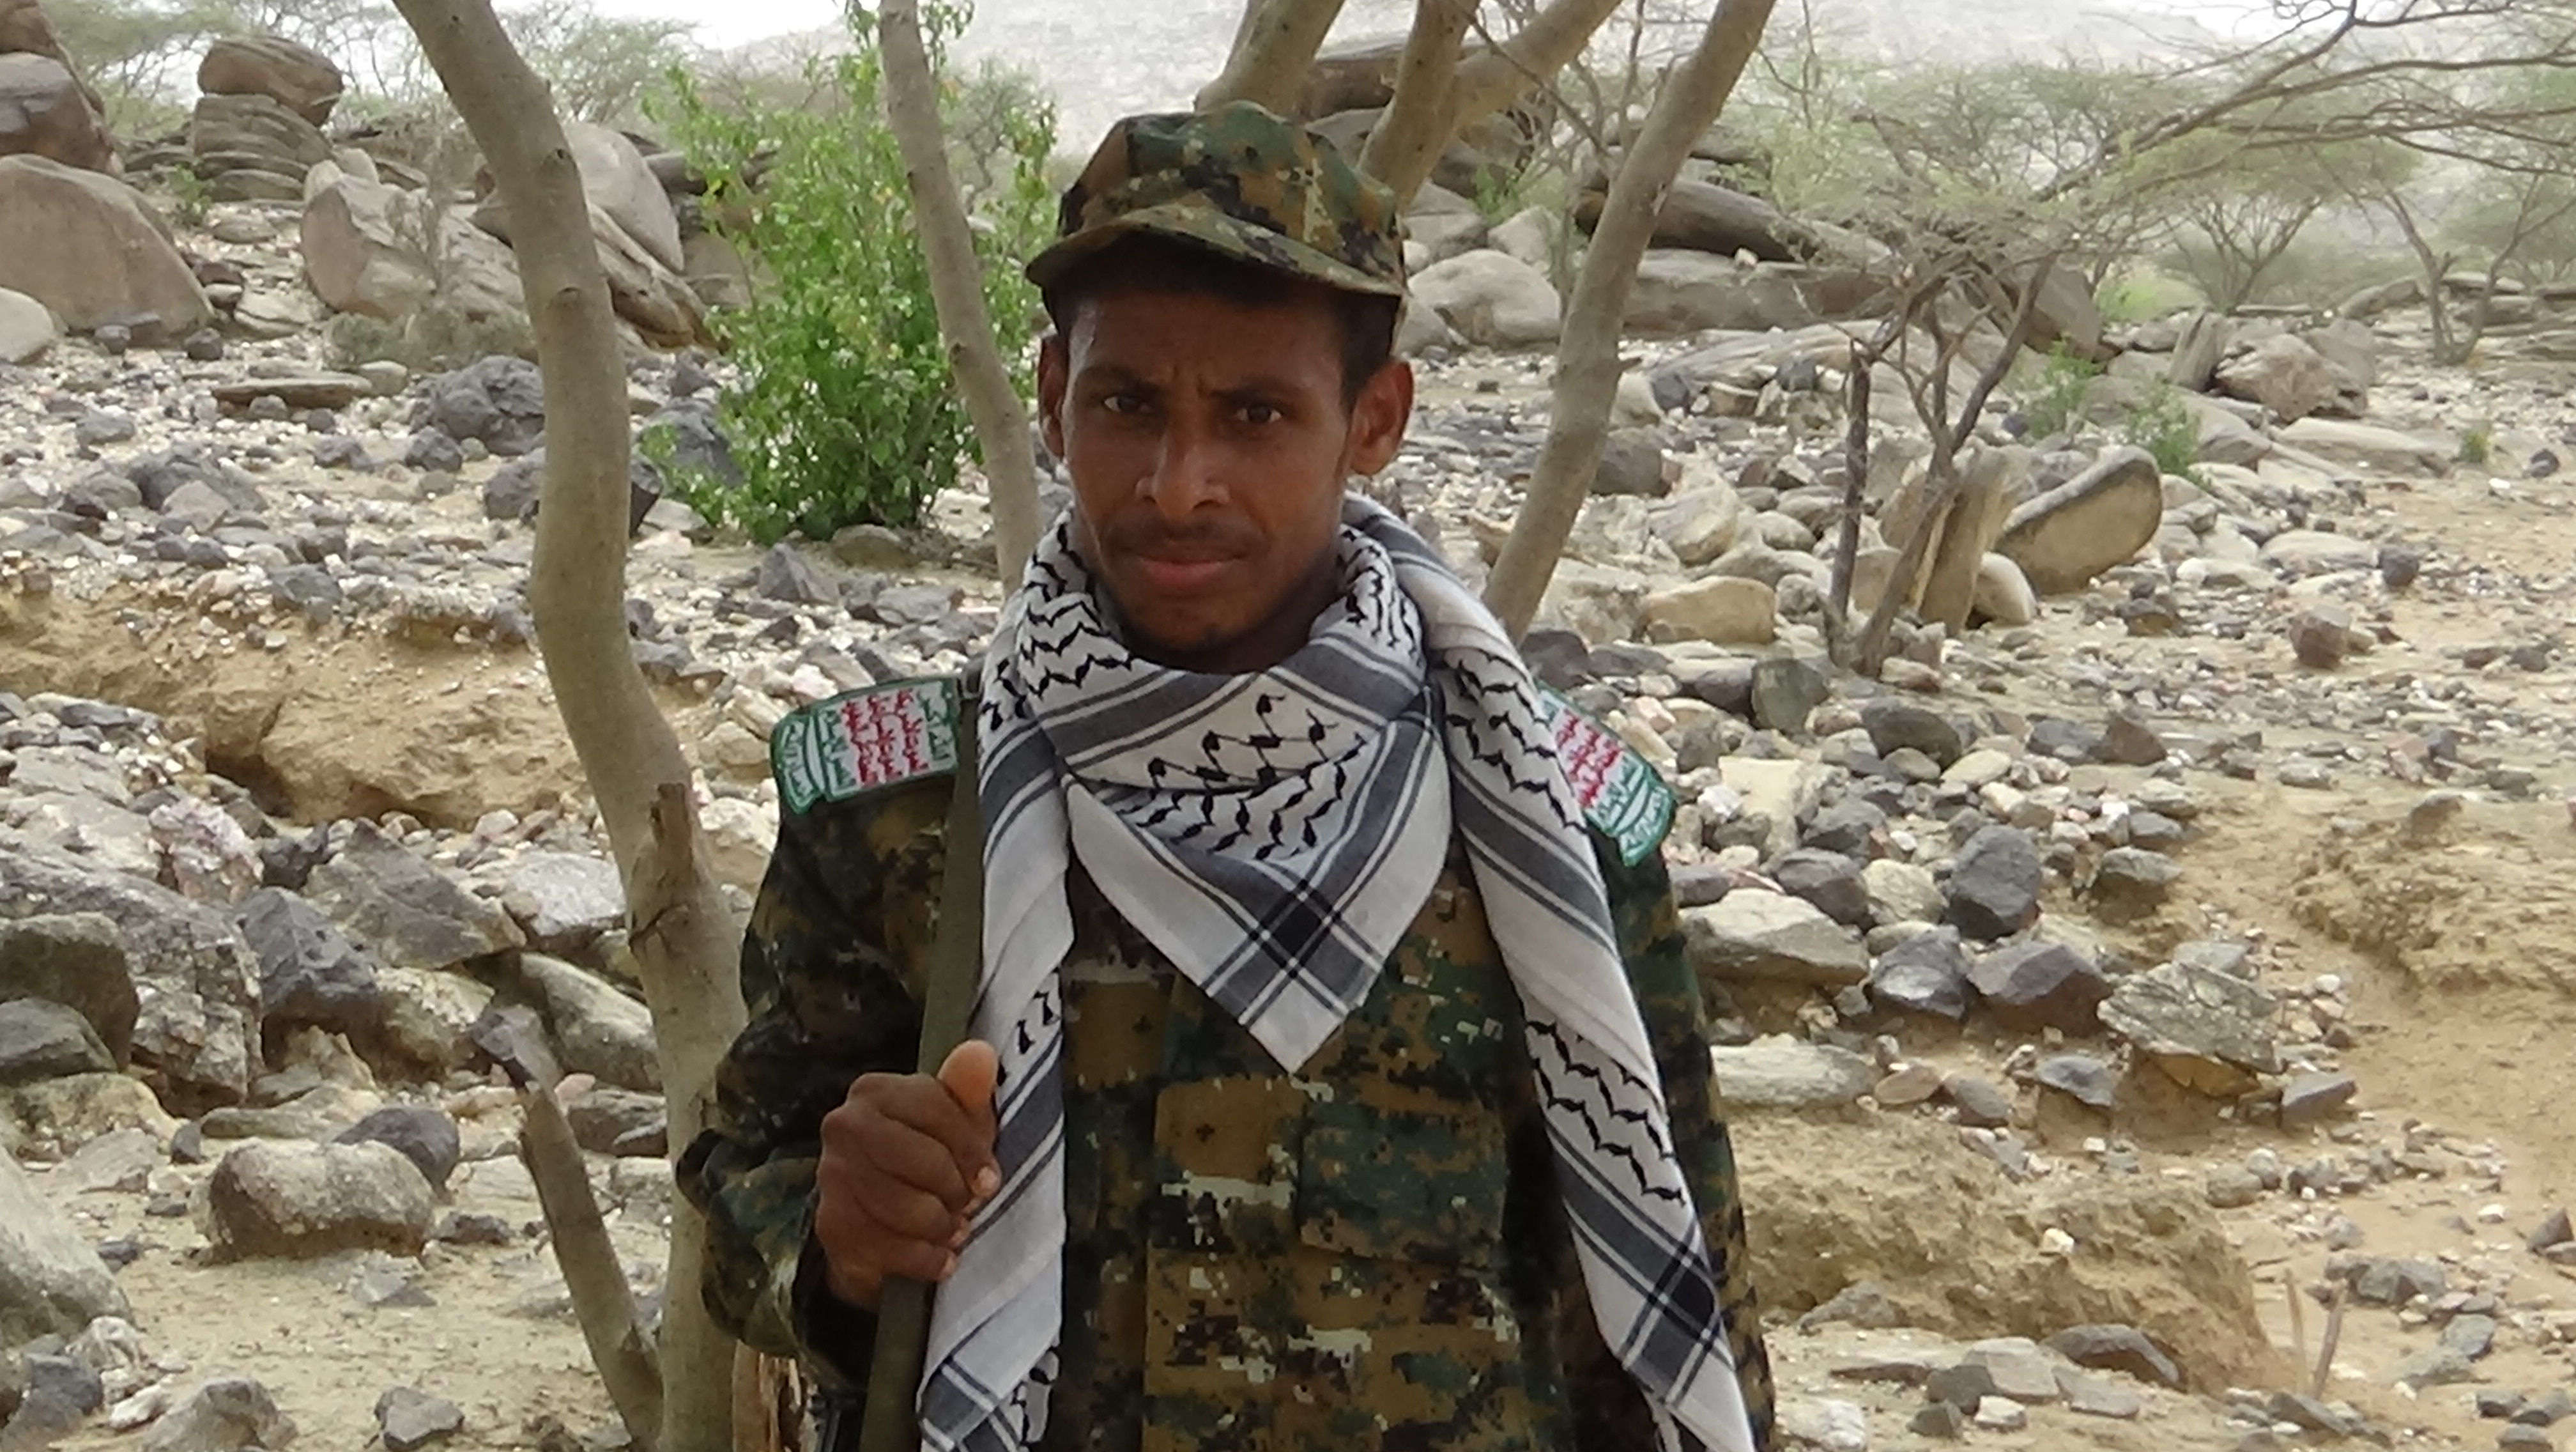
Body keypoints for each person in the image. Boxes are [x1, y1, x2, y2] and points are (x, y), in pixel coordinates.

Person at [677, 100, 1776, 1452]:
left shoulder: (1544, 824)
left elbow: (1677, 1275)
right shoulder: (898, 818)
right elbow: (745, 1190)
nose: (1179, 484)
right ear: (1052, 398)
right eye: (1127, 404)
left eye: (1256, 414)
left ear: (1375, 419)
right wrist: (837, 1238)